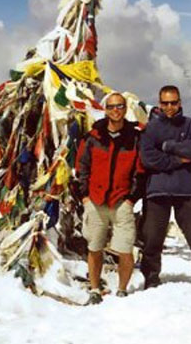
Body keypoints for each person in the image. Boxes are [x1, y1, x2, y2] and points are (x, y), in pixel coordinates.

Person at [139, 85, 191, 293]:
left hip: (188, 191)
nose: (169, 107)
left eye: (173, 102)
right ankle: (151, 278)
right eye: (165, 103)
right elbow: (148, 159)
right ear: (159, 103)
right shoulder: (151, 129)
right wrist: (178, 159)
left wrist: (166, 147)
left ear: (180, 102)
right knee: (152, 238)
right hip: (158, 190)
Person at [75, 92, 144, 305]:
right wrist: (85, 196)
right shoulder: (93, 138)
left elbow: (140, 172)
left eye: (120, 106)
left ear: (125, 109)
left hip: (122, 201)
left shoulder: (134, 139)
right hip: (95, 200)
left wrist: (132, 198)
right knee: (94, 247)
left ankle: (122, 289)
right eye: (112, 106)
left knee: (125, 248)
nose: (116, 110)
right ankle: (95, 289)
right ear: (105, 109)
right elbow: (81, 168)